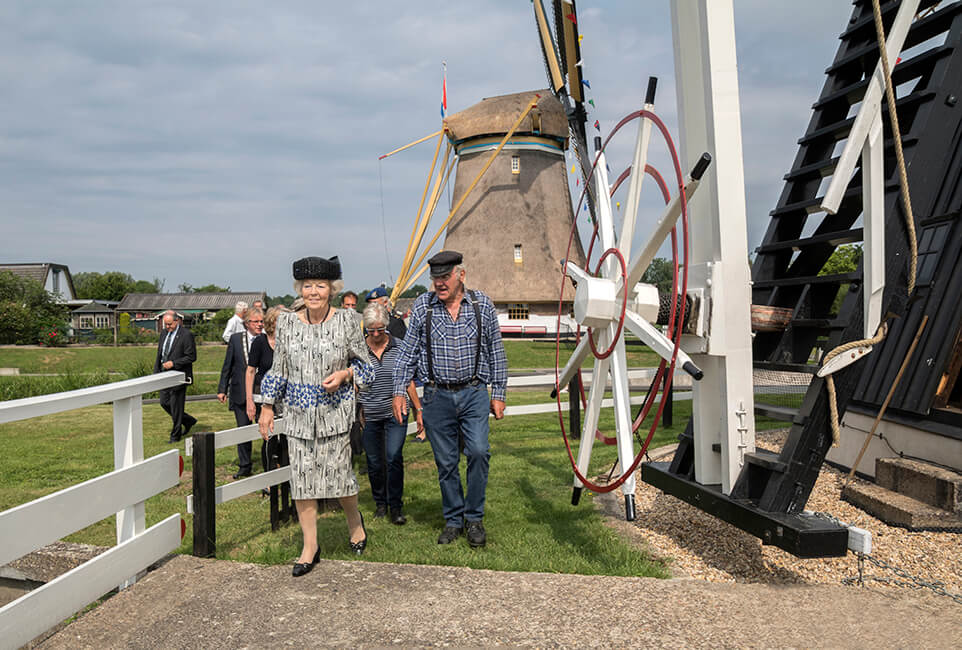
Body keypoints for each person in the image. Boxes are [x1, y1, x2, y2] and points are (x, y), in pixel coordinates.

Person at [259, 255, 375, 576]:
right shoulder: (286, 323)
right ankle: (310, 546)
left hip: (335, 416)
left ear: (332, 290)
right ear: (299, 289)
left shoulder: (349, 321)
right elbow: (278, 368)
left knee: (340, 481)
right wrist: (268, 406)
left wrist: (346, 375)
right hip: (297, 417)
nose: (313, 292)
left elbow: (369, 367)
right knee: (303, 483)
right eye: (307, 286)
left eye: (320, 286)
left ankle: (355, 522)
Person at [392, 250, 507, 548]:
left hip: (473, 392)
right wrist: (398, 390)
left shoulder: (482, 305)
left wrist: (499, 393)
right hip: (435, 395)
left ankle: (475, 518)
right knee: (446, 463)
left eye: (445, 277)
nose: (440, 284)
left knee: (479, 452)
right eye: (435, 279)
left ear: (461, 275)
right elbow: (408, 352)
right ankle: (454, 520)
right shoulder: (423, 307)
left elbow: (496, 351)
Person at [358, 303, 423, 525]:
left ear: (386, 326)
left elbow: (409, 381)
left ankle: (396, 506)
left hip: (396, 412)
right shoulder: (358, 350)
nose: (376, 334)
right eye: (371, 330)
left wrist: (418, 410)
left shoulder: (400, 347)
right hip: (369, 414)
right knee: (375, 462)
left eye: (380, 329)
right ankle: (380, 503)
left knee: (393, 457)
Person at [218, 307, 264, 479]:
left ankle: (271, 465)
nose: (260, 325)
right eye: (256, 322)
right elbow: (227, 365)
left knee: (266, 429)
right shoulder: (236, 340)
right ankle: (245, 466)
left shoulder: (267, 339)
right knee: (243, 430)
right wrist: (222, 389)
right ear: (247, 324)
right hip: (240, 392)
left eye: (261, 322)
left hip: (261, 392)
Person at [154, 310, 198, 443]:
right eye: (165, 325)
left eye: (169, 324)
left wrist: (174, 363)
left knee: (176, 406)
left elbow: (191, 356)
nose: (167, 327)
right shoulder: (164, 334)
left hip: (179, 376)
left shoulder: (186, 335)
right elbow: (160, 354)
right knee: (164, 402)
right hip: (164, 375)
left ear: (177, 321)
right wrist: (156, 372)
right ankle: (188, 420)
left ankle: (175, 435)